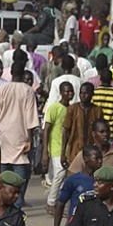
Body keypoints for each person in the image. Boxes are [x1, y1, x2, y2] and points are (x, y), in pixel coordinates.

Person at [0, 61, 40, 209]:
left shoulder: (2, 89)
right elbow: (31, 119)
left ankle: (2, 208)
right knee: (19, 182)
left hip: (3, 139)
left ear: (10, 72)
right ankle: (15, 210)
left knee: (3, 179)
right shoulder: (28, 90)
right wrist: (30, 140)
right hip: (21, 140)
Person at [67, 118, 113, 196]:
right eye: (101, 132)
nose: (105, 134)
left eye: (107, 131)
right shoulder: (84, 155)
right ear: (93, 134)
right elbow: (71, 178)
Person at [41, 81, 74, 214]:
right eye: (66, 91)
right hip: (55, 147)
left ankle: (61, 202)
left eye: (71, 91)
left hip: (68, 148)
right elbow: (46, 130)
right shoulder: (54, 108)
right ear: (61, 93)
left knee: (67, 176)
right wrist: (45, 151)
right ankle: (51, 202)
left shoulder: (71, 109)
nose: (69, 94)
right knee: (59, 174)